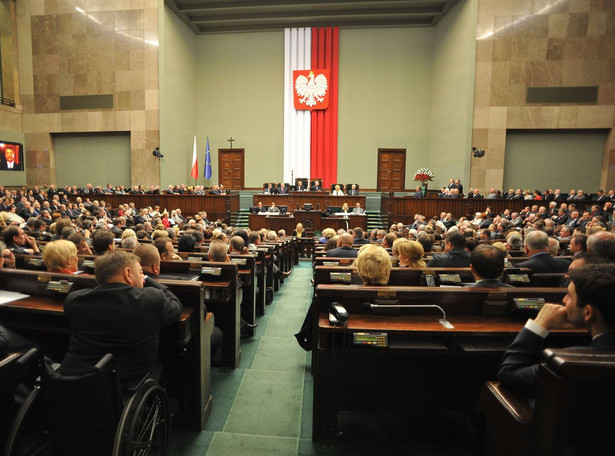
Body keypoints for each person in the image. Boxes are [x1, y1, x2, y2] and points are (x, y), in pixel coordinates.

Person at [59, 250, 182, 387]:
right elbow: (176, 306)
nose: (143, 276)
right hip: (124, 385)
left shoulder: (74, 300)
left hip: (71, 383)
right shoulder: (152, 298)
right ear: (128, 273)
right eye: (141, 272)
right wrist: (148, 280)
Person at [498, 264, 615, 397]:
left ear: (587, 312)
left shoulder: (569, 362)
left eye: (569, 295)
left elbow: (509, 375)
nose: (564, 300)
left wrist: (539, 324)